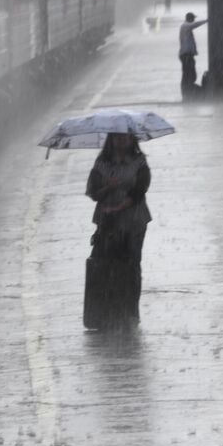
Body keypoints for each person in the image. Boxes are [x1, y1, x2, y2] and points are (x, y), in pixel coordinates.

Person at [84, 132, 152, 328]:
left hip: (134, 221)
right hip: (107, 223)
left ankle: (130, 311)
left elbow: (140, 190)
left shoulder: (139, 162)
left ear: (132, 140)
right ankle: (105, 311)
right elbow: (93, 191)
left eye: (125, 137)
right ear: (111, 140)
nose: (121, 140)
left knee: (131, 264)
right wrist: (107, 188)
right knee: (106, 264)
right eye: (117, 137)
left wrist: (119, 206)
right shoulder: (101, 164)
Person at [178, 12, 207, 100]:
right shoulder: (185, 26)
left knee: (189, 74)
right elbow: (194, 25)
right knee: (189, 74)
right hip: (186, 54)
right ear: (190, 19)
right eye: (193, 18)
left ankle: (187, 93)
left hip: (186, 54)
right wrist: (207, 20)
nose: (194, 20)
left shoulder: (185, 27)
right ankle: (187, 92)